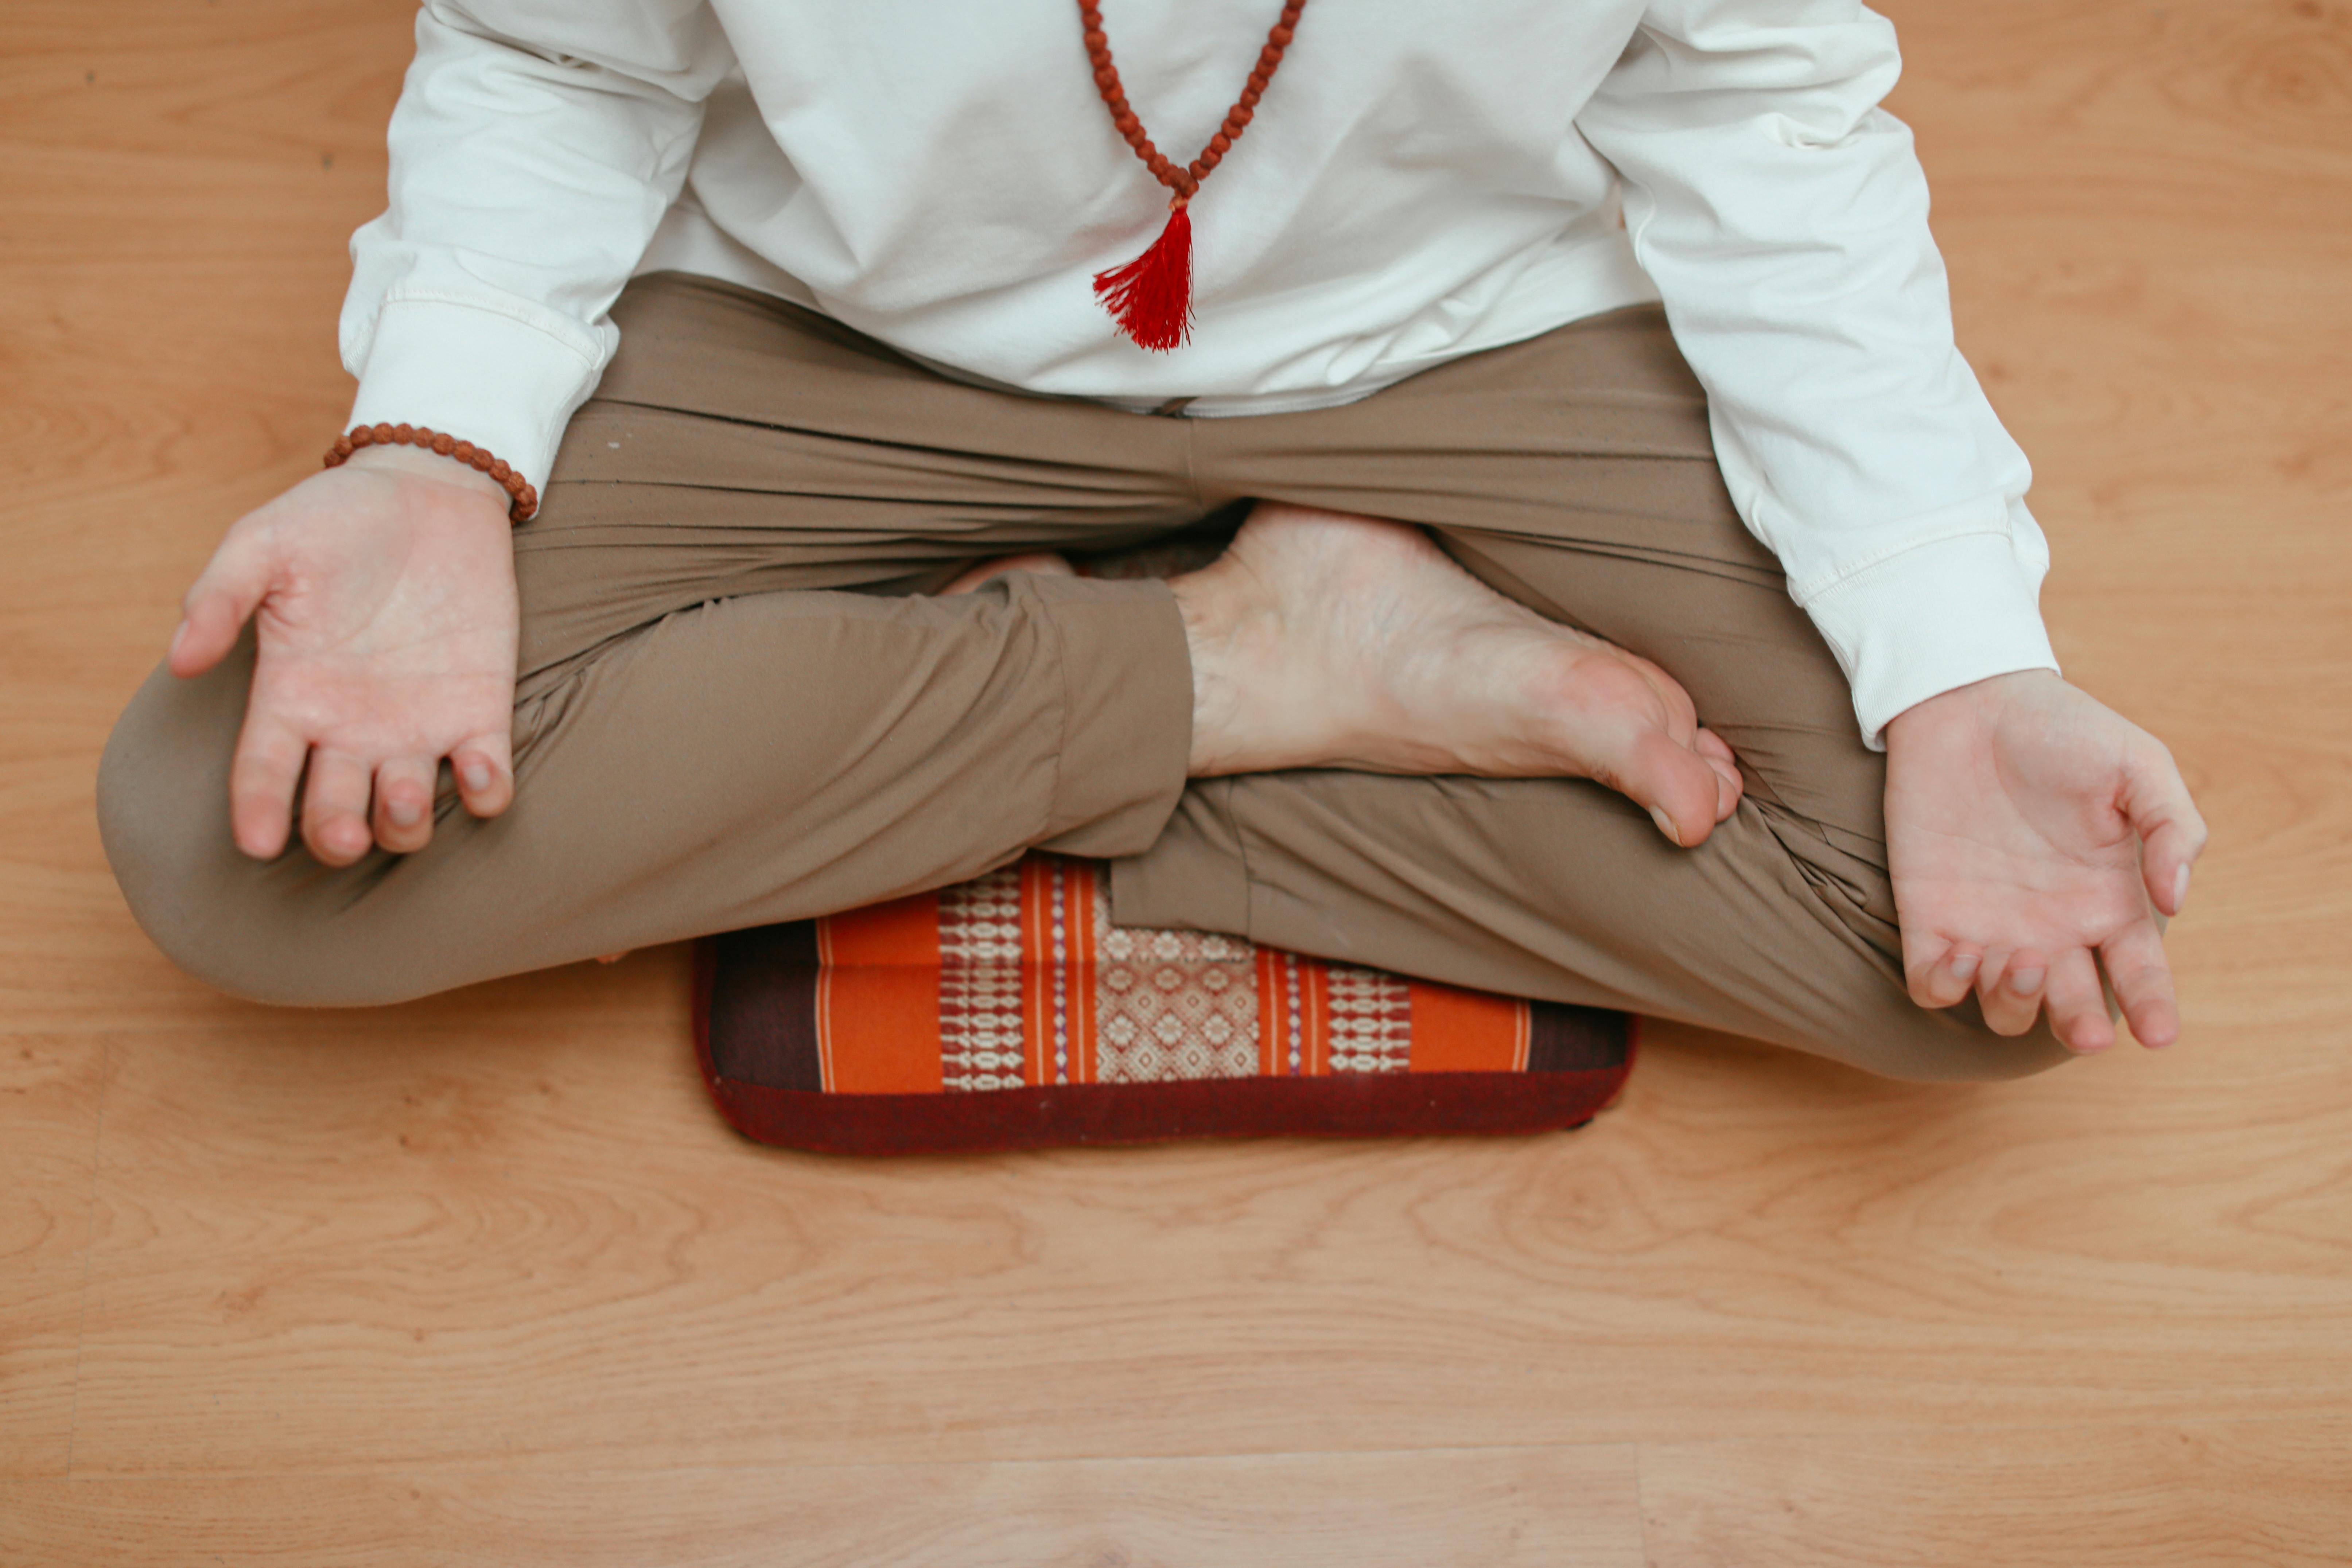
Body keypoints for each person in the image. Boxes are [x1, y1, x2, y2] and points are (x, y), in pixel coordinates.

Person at [97, 0, 2206, 1081]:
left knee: (1968, 947)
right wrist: (434, 459)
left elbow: (1761, 117)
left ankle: (847, 732)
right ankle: (1266, 663)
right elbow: (555, 51)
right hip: (827, 328)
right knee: (239, 835)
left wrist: (1959, 663)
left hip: (1455, 338)